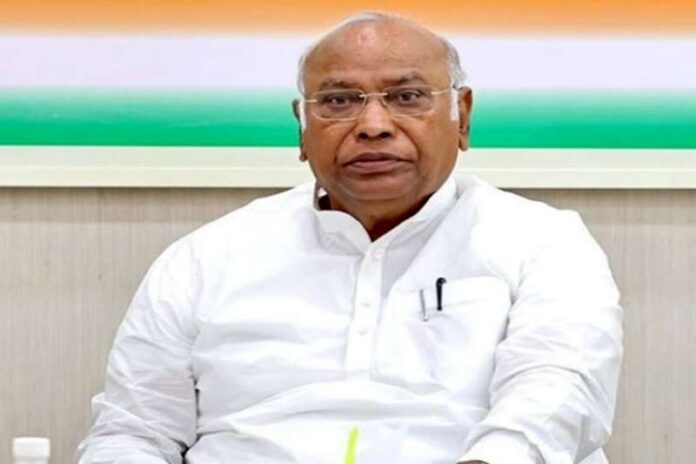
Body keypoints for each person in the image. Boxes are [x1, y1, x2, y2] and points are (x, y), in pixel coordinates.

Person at [77, 12, 623, 464]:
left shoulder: (543, 242)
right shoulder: (205, 258)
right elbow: (133, 433)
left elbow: (555, 395)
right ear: (301, 127)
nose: (373, 125)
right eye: (339, 101)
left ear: (462, 116)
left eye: (407, 96)